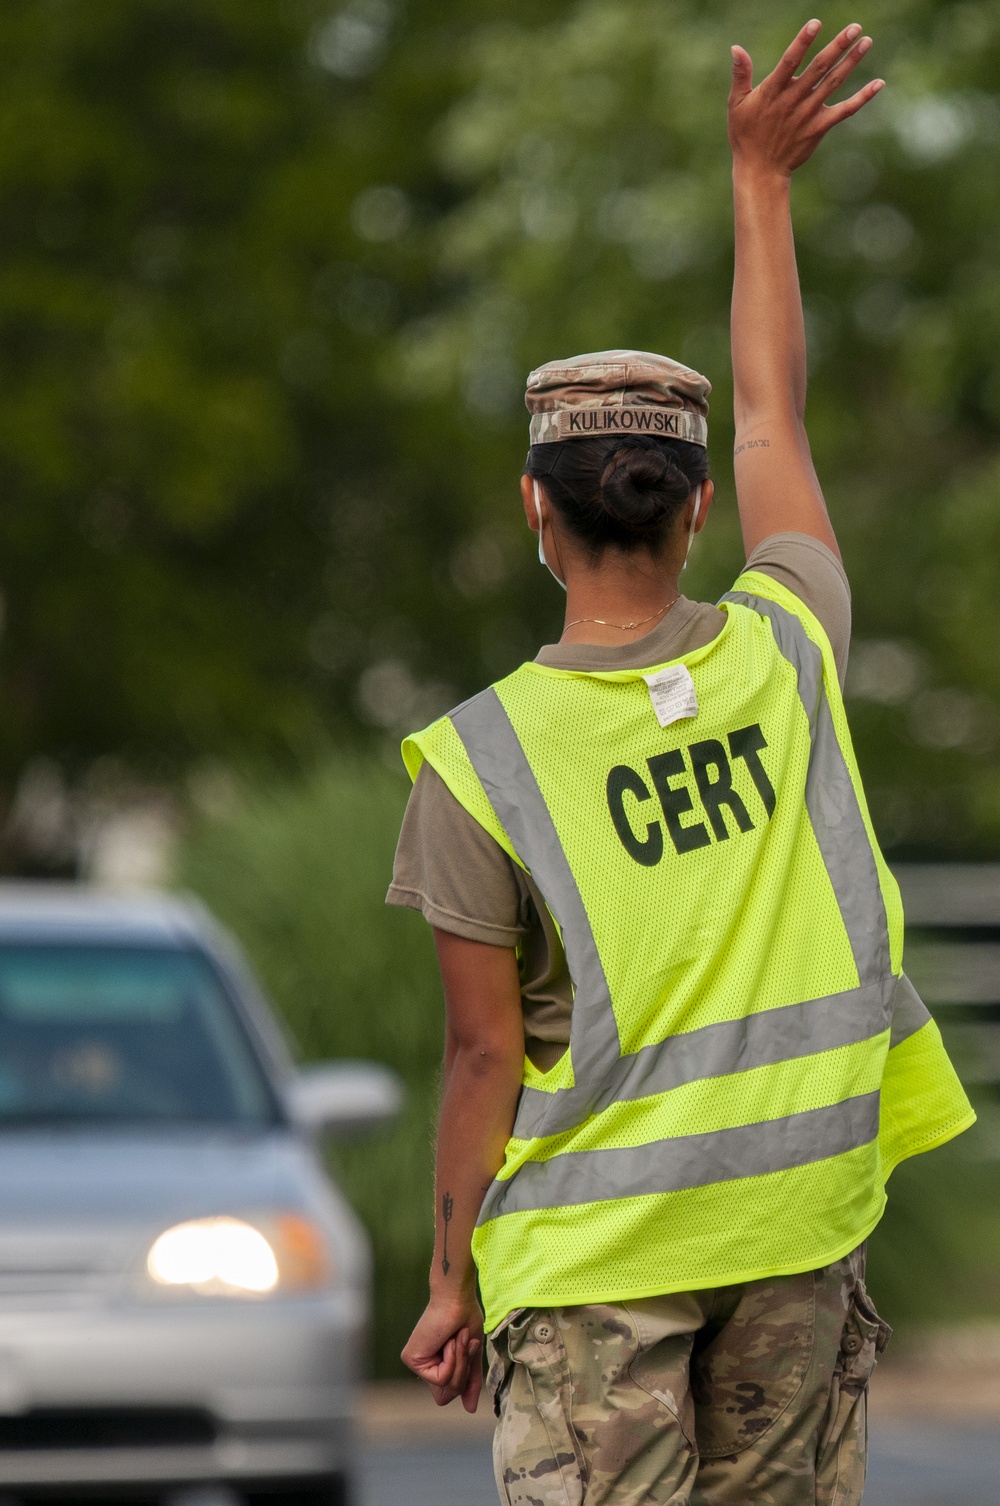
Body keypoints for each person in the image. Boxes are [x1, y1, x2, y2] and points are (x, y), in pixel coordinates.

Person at [387, 20, 974, 1506]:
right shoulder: (790, 648)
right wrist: (758, 181)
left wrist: (451, 1279)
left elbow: (481, 1057)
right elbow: (774, 407)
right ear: (698, 506)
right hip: (795, 1229)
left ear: (535, 507)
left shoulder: (478, 759)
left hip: (595, 1267)